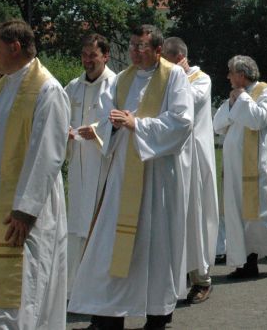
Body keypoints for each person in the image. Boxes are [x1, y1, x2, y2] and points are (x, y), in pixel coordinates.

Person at [69, 25, 193, 330]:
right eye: (133, 45)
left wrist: (136, 123)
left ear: (158, 50)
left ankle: (158, 315)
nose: (135, 51)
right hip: (124, 173)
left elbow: (182, 121)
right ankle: (109, 312)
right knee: (112, 243)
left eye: (142, 46)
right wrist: (111, 126)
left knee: (157, 244)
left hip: (158, 174)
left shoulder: (174, 76)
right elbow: (106, 118)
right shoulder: (122, 79)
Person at [0, 19, 69, 328]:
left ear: (15, 46)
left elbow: (47, 154)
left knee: (25, 286)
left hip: (25, 206)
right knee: (1, 285)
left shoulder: (47, 89)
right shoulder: (4, 86)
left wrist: (25, 209)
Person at [212, 55, 267, 279]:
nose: (227, 77)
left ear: (242, 75)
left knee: (262, 213)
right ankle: (246, 263)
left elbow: (258, 120)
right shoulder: (235, 96)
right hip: (235, 167)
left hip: (259, 165)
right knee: (237, 214)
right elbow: (217, 124)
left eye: (230, 72)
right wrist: (233, 102)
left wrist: (242, 98)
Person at [162, 36, 218, 305]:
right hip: (174, 157)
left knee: (197, 218)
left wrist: (180, 76)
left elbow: (190, 103)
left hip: (196, 159)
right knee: (175, 217)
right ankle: (178, 276)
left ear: (178, 58)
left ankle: (202, 279)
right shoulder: (167, 78)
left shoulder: (200, 78)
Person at [63, 33, 116, 296]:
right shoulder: (73, 87)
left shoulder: (116, 85)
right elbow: (58, 117)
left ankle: (97, 288)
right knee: (76, 225)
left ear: (105, 56)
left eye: (93, 55)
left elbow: (120, 121)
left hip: (102, 166)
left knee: (98, 225)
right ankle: (74, 288)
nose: (87, 61)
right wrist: (64, 133)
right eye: (84, 55)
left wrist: (95, 131)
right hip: (77, 168)